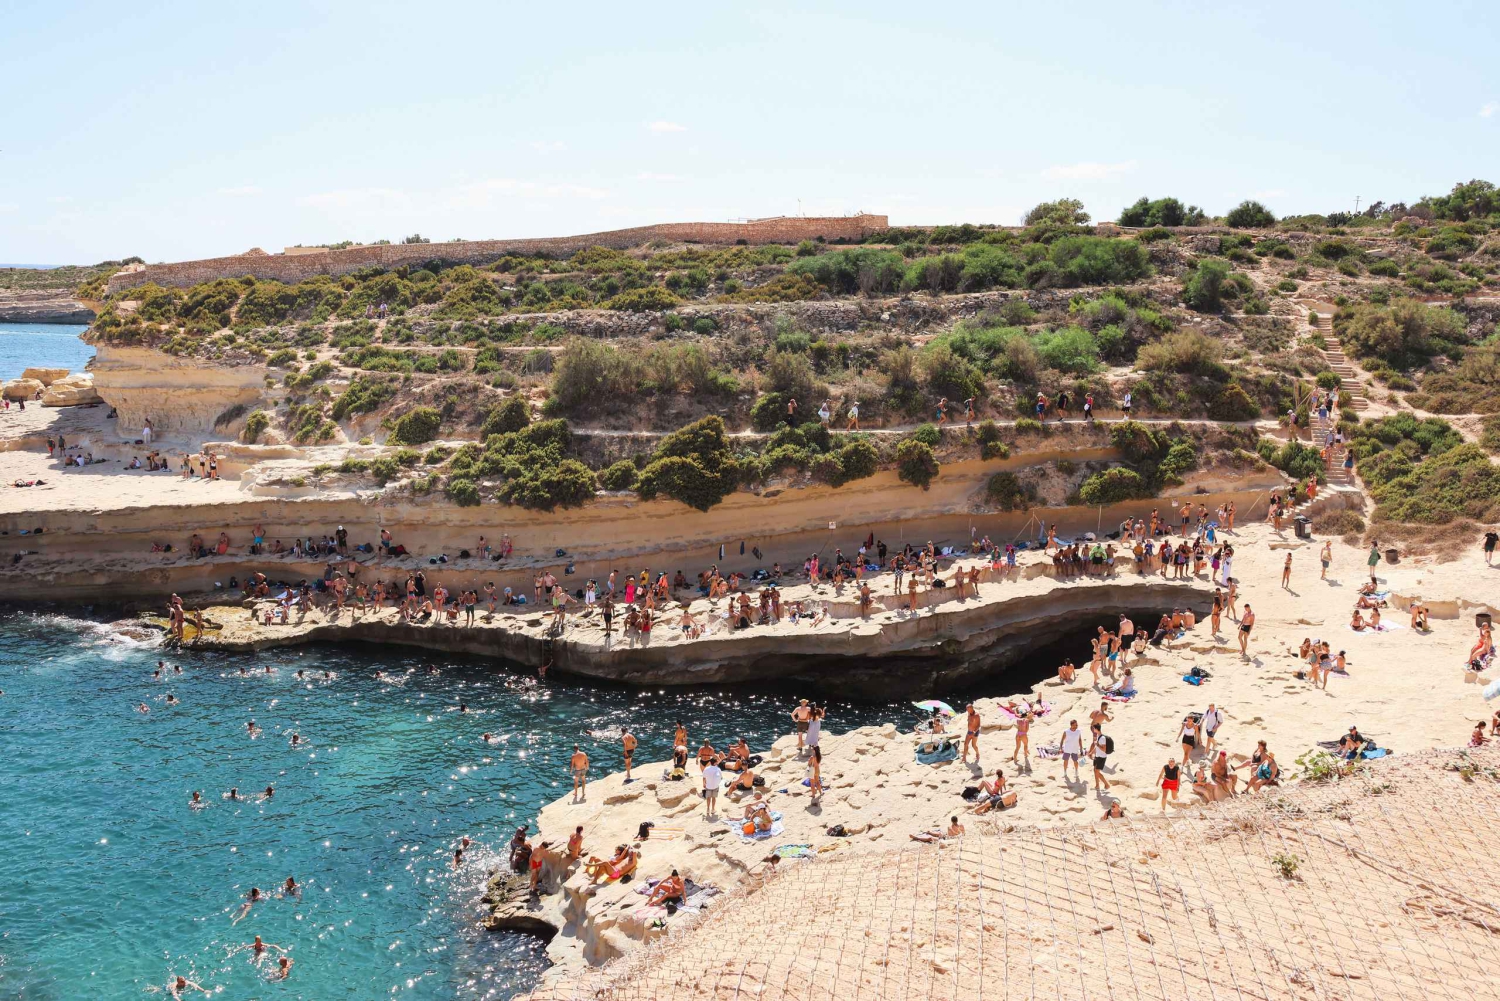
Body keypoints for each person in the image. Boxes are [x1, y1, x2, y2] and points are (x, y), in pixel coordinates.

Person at [1089, 724, 1112, 793]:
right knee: (1095, 771)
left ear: (1096, 729)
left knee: (1097, 772)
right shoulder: (1098, 736)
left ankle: (1107, 784)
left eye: (1093, 729)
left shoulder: (1102, 738)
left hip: (1102, 757)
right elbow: (1097, 747)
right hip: (1097, 756)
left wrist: (1097, 745)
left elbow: (1104, 749)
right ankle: (1097, 786)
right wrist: (1091, 752)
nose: (1093, 730)